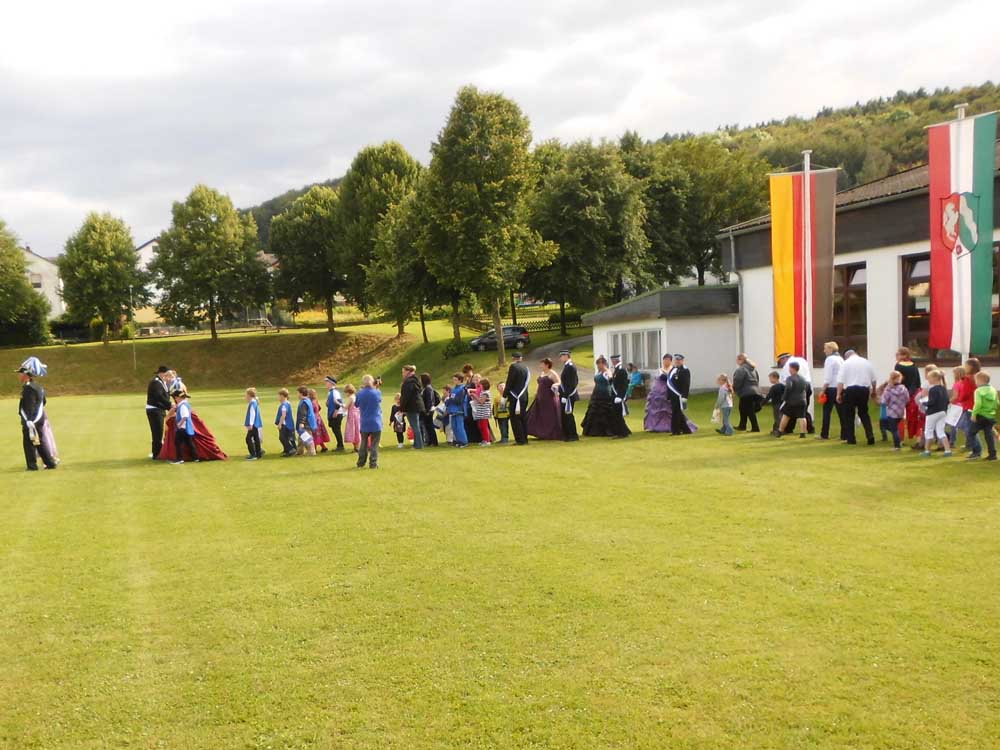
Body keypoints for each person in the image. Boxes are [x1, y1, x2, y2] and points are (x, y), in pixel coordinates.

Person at [16, 364, 57, 471]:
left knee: (29, 443)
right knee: (40, 442)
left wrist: (29, 420)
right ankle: (50, 463)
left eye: (20, 373)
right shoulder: (38, 386)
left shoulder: (28, 388)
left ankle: (32, 466)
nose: (19, 376)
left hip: (31, 420)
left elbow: (29, 405)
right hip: (39, 418)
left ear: (25, 375)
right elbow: (43, 402)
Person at [582, 356, 631, 438]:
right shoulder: (598, 373)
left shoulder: (608, 372)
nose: (598, 366)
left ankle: (618, 431)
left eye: (599, 364)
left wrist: (608, 376)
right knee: (593, 412)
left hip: (604, 394)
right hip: (596, 394)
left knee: (607, 412)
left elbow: (612, 381)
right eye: (597, 364)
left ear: (604, 364)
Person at [836, 349, 877, 446]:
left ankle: (851, 439)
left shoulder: (845, 364)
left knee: (849, 415)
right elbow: (874, 379)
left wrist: (838, 394)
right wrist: (874, 390)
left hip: (850, 390)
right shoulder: (866, 362)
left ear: (846, 356)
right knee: (864, 413)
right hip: (864, 389)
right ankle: (870, 436)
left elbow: (840, 381)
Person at [526, 357, 564, 441]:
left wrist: (555, 385)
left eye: (542, 364)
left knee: (549, 415)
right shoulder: (542, 373)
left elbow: (559, 382)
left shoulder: (552, 373)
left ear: (547, 365)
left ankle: (551, 433)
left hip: (549, 397)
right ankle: (540, 433)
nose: (540, 366)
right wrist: (536, 393)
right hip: (540, 396)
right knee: (539, 415)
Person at [776, 353, 814, 433]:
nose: (781, 364)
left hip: (795, 387)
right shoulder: (802, 360)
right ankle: (810, 428)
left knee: (789, 410)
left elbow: (786, 381)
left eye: (780, 362)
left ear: (784, 359)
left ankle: (787, 429)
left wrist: (785, 396)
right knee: (803, 409)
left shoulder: (788, 365)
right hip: (807, 385)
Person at [921, 369, 952, 458]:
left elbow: (932, 402)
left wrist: (924, 403)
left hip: (932, 413)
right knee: (941, 431)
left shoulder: (933, 389)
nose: (928, 380)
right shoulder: (943, 388)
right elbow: (947, 401)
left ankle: (927, 450)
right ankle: (947, 450)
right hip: (942, 412)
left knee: (928, 431)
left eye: (929, 378)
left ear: (935, 378)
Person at [967, 371, 998, 461]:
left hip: (981, 416)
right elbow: (997, 402)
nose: (975, 383)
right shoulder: (993, 389)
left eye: (976, 381)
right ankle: (992, 455)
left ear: (980, 381)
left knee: (971, 433)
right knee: (989, 436)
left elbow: (978, 404)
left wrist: (974, 414)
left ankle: (976, 452)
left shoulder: (978, 390)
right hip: (990, 416)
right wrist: (992, 411)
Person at [894, 347, 922, 441]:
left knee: (899, 416)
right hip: (913, 393)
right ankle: (916, 436)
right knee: (913, 416)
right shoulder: (914, 365)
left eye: (897, 354)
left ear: (904, 355)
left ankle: (900, 438)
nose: (896, 356)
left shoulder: (898, 366)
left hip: (901, 392)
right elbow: (918, 382)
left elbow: (897, 380)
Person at [775, 362, 808, 438]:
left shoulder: (790, 378)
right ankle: (803, 433)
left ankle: (780, 431)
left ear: (793, 368)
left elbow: (788, 388)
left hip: (792, 401)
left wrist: (784, 397)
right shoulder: (803, 378)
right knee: (802, 417)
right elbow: (806, 388)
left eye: (789, 368)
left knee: (786, 415)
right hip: (802, 400)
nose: (789, 370)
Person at [818, 342, 845, 441]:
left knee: (826, 412)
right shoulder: (841, 359)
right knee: (842, 413)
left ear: (830, 349)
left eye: (825, 348)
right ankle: (844, 434)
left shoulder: (829, 359)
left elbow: (828, 377)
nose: (824, 351)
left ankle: (824, 434)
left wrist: (823, 390)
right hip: (840, 387)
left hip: (831, 388)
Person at [355, 374, 383, 469]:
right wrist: (377, 387)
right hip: (376, 421)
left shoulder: (359, 393)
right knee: (374, 444)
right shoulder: (377, 392)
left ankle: (361, 462)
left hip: (365, 421)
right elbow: (379, 400)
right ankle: (373, 463)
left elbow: (356, 404)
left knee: (363, 443)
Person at [146, 365, 172, 459]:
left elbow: (165, 396)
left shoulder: (162, 382)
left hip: (159, 409)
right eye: (166, 374)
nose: (168, 376)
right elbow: (159, 397)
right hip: (154, 410)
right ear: (161, 373)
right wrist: (170, 406)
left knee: (159, 432)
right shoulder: (155, 382)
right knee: (157, 432)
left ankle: (158, 452)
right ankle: (156, 454)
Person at [504, 351, 531, 445]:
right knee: (522, 418)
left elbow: (509, 382)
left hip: (515, 396)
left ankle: (520, 440)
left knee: (515, 419)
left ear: (513, 358)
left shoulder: (513, 367)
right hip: (524, 396)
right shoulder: (526, 367)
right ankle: (525, 438)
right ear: (521, 358)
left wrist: (504, 395)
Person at [644, 354, 675, 433]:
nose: (666, 362)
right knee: (654, 407)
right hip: (657, 391)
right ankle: (653, 425)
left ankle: (669, 425)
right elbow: (655, 380)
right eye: (665, 360)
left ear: (671, 361)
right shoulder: (659, 370)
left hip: (668, 390)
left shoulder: (673, 370)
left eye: (668, 360)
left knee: (667, 409)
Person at [879, 371, 909, 450]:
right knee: (895, 428)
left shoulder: (888, 389)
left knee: (893, 429)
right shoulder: (904, 389)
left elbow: (883, 401)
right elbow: (907, 399)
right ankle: (898, 443)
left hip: (892, 412)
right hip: (901, 412)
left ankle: (897, 446)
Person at [732, 353, 760, 432]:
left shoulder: (741, 369)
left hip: (746, 392)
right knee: (742, 408)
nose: (736, 361)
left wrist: (733, 389)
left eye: (737, 360)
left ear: (740, 360)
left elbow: (737, 381)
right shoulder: (753, 369)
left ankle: (755, 427)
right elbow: (757, 379)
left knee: (749, 410)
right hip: (754, 391)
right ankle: (742, 425)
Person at [667, 354, 694, 435]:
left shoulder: (685, 370)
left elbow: (686, 385)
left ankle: (675, 431)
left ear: (682, 361)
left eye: (679, 360)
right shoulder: (673, 369)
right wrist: (668, 396)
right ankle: (686, 430)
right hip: (673, 396)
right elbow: (669, 382)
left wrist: (684, 397)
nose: (677, 361)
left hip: (679, 395)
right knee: (678, 413)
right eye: (676, 360)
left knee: (676, 413)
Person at [399, 364, 425, 449]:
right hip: (416, 406)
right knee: (415, 426)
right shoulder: (415, 380)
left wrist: (401, 407)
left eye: (403, 372)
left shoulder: (409, 382)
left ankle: (418, 445)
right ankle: (418, 444)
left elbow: (406, 396)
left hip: (412, 407)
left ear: (408, 372)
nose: (402, 374)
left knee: (415, 426)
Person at [170, 389, 199, 464]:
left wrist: (179, 424)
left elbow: (185, 416)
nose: (174, 399)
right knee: (189, 443)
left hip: (182, 428)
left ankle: (179, 459)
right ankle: (195, 458)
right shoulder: (185, 404)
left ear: (177, 397)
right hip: (187, 428)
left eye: (175, 397)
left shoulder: (182, 406)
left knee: (178, 443)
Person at [557, 350, 580, 441]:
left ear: (566, 356)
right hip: (566, 395)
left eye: (562, 356)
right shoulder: (567, 366)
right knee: (565, 416)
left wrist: (565, 396)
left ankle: (572, 435)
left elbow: (572, 383)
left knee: (568, 416)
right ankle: (567, 435)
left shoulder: (570, 367)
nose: (560, 358)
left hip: (569, 395)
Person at [447, 374, 469, 447]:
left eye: (455, 380)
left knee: (459, 427)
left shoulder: (462, 389)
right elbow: (451, 398)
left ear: (460, 380)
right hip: (452, 410)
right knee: (454, 427)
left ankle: (464, 442)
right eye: (453, 379)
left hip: (459, 410)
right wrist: (448, 401)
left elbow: (459, 401)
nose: (454, 381)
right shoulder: (454, 389)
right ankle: (458, 441)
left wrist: (451, 399)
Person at [325, 376, 345, 452]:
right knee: (335, 429)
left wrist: (336, 412)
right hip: (333, 413)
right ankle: (339, 445)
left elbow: (339, 402)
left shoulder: (335, 392)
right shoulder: (330, 392)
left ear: (331, 383)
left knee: (337, 430)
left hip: (337, 413)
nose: (326, 384)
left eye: (327, 382)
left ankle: (340, 446)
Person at [295, 386, 317, 456]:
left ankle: (312, 452)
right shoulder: (307, 400)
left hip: (306, 423)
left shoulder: (304, 403)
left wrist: (302, 422)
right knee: (301, 438)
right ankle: (300, 451)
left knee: (307, 438)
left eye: (297, 393)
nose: (297, 395)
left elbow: (303, 414)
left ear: (301, 393)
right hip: (308, 422)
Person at [472, 378, 494, 446]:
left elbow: (481, 402)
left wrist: (475, 396)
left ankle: (487, 441)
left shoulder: (486, 393)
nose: (480, 386)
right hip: (480, 412)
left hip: (484, 413)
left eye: (480, 385)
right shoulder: (482, 392)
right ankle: (484, 440)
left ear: (484, 385)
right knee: (480, 426)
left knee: (484, 427)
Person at [275, 388, 297, 456]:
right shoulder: (287, 403)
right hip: (289, 424)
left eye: (279, 396)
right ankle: (288, 449)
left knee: (282, 437)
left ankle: (290, 449)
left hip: (285, 424)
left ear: (282, 396)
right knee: (288, 437)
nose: (278, 397)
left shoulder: (284, 405)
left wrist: (280, 424)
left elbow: (283, 415)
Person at [420, 373, 440, 447]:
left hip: (428, 410)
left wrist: (428, 410)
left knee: (430, 426)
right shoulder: (425, 388)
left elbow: (429, 400)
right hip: (426, 410)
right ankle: (430, 441)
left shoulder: (428, 388)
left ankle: (434, 442)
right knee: (427, 426)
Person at [244, 387, 264, 460]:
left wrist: (251, 424)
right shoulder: (254, 402)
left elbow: (252, 414)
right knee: (256, 439)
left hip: (254, 425)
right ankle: (258, 454)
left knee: (248, 439)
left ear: (249, 395)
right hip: (256, 424)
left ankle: (253, 454)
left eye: (246, 395)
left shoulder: (252, 403)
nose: (245, 397)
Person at [343, 384, 361, 452]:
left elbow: (346, 407)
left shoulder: (351, 398)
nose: (345, 394)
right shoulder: (355, 396)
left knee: (352, 430)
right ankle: (356, 447)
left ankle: (357, 447)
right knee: (356, 430)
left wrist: (340, 404)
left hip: (352, 416)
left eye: (346, 392)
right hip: (357, 415)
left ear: (349, 391)